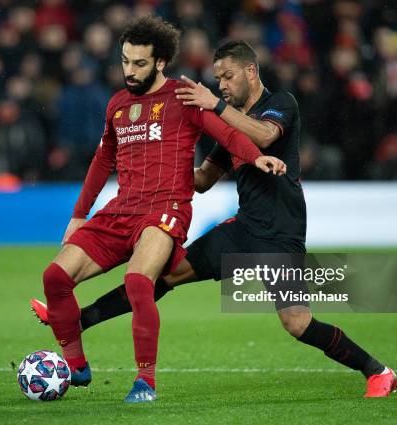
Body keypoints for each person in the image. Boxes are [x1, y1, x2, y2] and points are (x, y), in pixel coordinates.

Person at [32, 40, 397, 398]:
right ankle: (80, 320)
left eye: (227, 76)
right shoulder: (232, 127)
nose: (221, 85)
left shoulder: (280, 103)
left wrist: (215, 104)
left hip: (280, 236)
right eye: (217, 79)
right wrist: (158, 168)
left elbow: (266, 137)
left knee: (297, 323)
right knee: (162, 275)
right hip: (242, 229)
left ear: (250, 71)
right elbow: (203, 180)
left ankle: (377, 371)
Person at [39, 19, 284, 404]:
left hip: (165, 209)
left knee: (139, 282)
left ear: (161, 62)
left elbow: (229, 134)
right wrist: (79, 215)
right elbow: (103, 160)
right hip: (121, 209)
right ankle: (75, 366)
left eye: (139, 63)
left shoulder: (184, 97)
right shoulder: (117, 104)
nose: (129, 71)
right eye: (125, 61)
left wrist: (257, 158)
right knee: (54, 277)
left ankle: (145, 382)